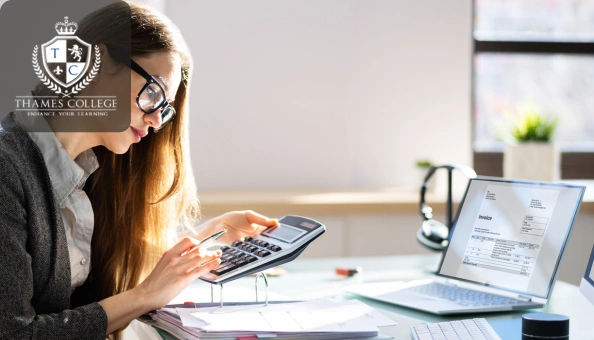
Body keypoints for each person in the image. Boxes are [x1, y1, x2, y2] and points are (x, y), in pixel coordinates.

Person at [0, 2, 278, 339]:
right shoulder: (8, 167)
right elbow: (13, 333)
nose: (157, 120)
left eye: (165, 108)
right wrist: (146, 296)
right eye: (154, 94)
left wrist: (204, 238)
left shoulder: (86, 172)